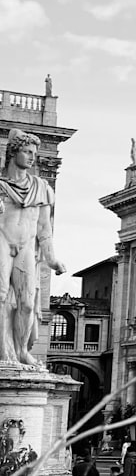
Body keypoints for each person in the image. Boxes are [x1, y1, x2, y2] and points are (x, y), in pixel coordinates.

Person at [0, 129, 66, 366]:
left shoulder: (41, 187)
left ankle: (20, 350)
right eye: (27, 152)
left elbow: (44, 230)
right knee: (1, 296)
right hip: (2, 241)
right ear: (13, 152)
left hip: (26, 246)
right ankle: (3, 352)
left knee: (27, 303)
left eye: (34, 154)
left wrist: (52, 258)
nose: (32, 158)